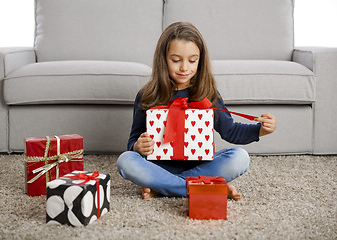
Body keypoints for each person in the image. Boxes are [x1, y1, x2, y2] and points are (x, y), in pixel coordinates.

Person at [117, 22, 276, 200]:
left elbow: (230, 131)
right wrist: (138, 146)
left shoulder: (207, 94)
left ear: (200, 60)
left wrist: (260, 130)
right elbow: (133, 140)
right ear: (163, 59)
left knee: (240, 157)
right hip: (159, 168)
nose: (185, 67)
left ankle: (164, 187)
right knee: (126, 161)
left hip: (201, 166)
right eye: (176, 60)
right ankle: (209, 187)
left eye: (192, 60)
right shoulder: (147, 95)